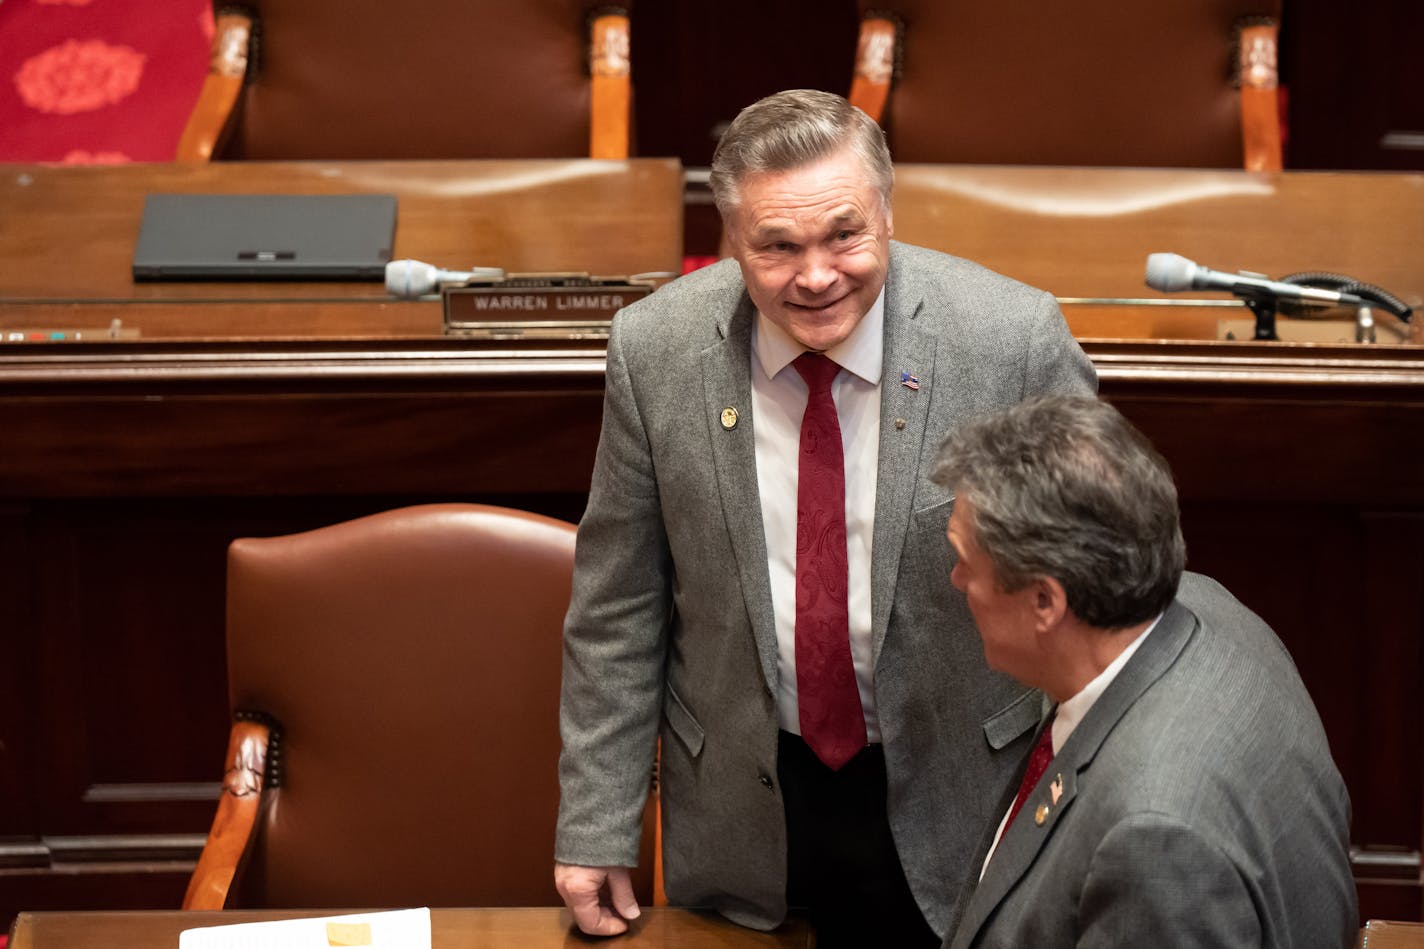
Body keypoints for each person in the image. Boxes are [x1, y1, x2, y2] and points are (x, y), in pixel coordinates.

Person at [553, 88, 1097, 945]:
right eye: (777, 246)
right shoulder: (654, 350)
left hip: (968, 792)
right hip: (746, 802)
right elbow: (618, 606)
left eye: (844, 234)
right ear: (731, 243)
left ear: (887, 210)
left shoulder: (1009, 340)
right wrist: (596, 820)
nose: (815, 275)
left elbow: (1101, 584)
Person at [932, 395, 1357, 949]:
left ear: (1045, 602)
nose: (955, 580)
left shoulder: (1153, 840)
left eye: (966, 559)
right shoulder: (1209, 608)